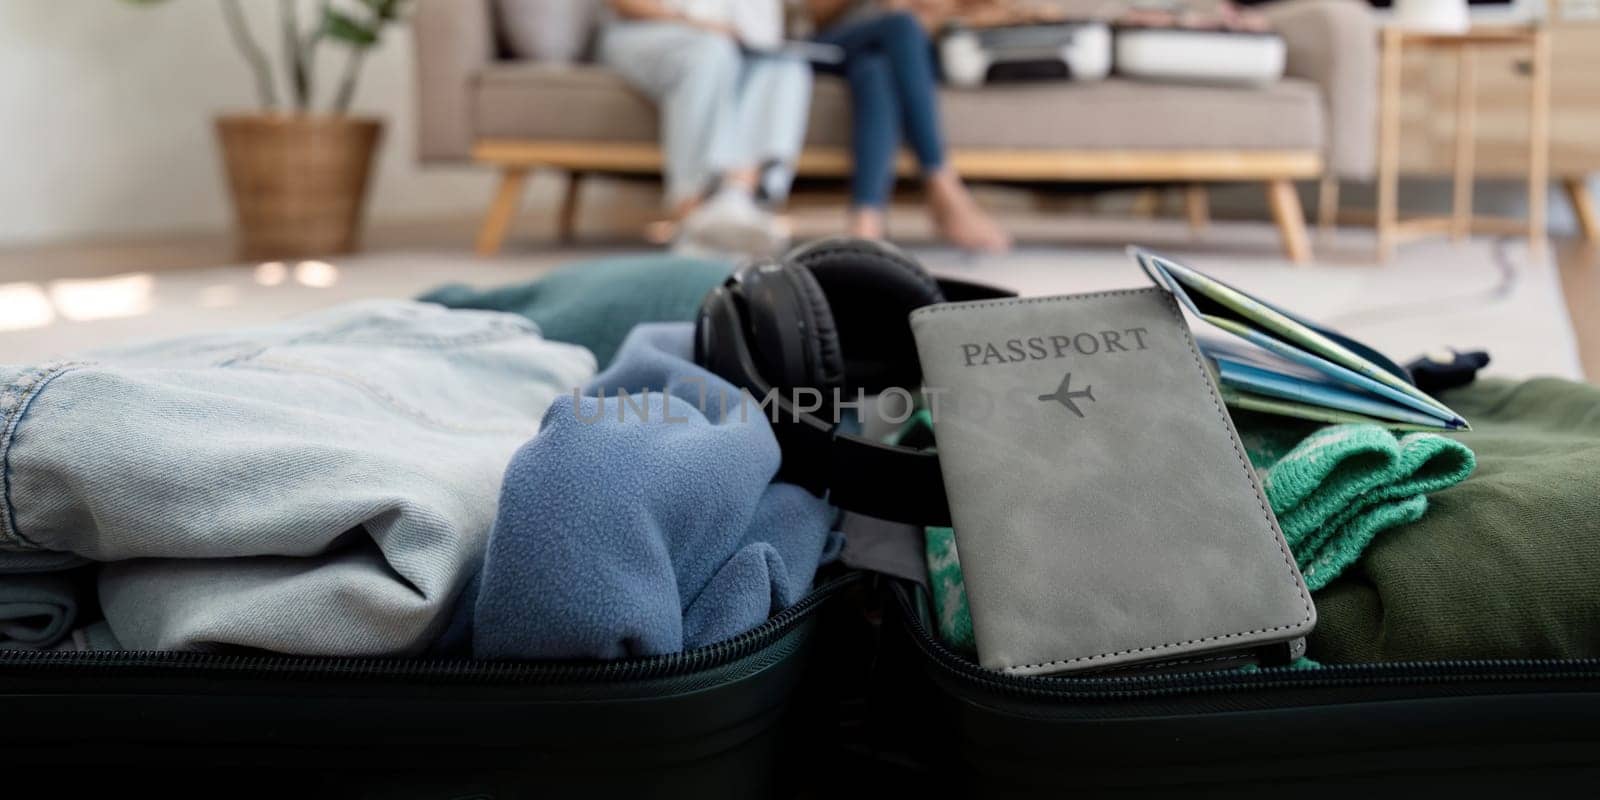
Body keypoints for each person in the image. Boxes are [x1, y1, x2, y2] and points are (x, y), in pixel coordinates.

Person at [601, 0, 813, 255]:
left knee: (785, 64)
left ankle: (738, 198)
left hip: (741, 42)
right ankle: (694, 210)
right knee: (711, 52)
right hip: (650, 30)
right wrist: (698, 24)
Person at [805, 0, 1011, 253]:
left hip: (915, 46)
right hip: (836, 41)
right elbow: (811, 12)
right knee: (901, 26)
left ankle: (866, 222)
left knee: (876, 67)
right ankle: (943, 185)